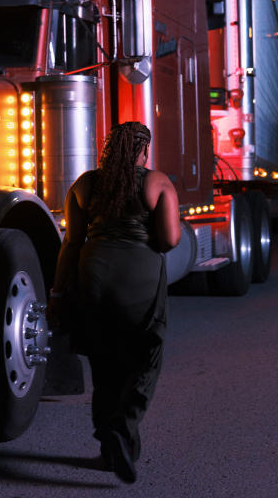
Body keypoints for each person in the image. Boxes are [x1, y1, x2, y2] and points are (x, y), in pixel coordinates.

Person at [48, 121, 180, 484]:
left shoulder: (85, 184)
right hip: (139, 278)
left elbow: (71, 243)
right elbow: (169, 240)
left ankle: (114, 451)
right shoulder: (155, 182)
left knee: (105, 366)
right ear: (144, 150)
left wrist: (58, 294)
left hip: (93, 277)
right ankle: (122, 428)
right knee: (146, 356)